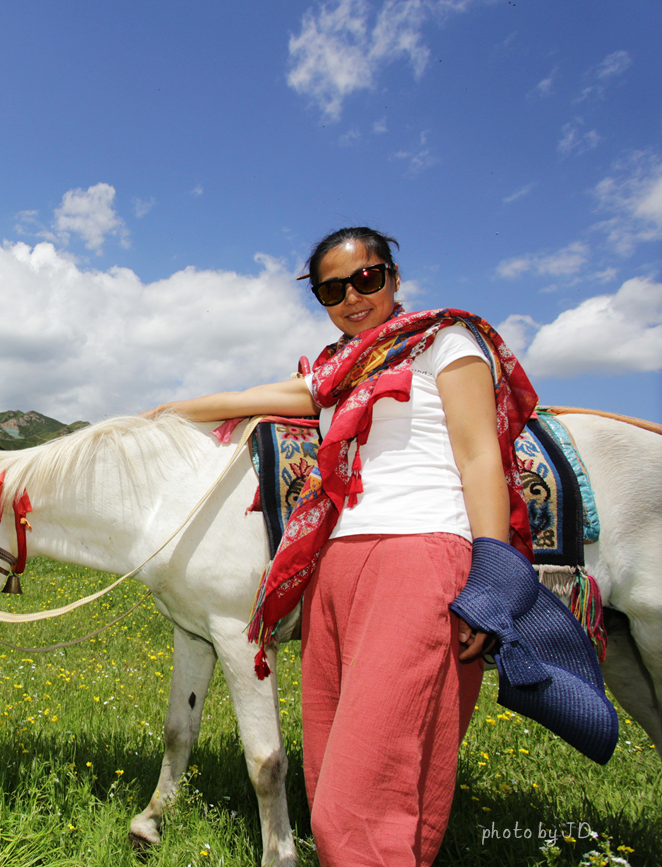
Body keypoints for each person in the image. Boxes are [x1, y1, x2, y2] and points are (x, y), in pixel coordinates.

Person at [142, 227, 538, 866]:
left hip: (418, 555)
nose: (352, 296)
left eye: (367, 278)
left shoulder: (446, 342)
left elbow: (478, 459)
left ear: (394, 277)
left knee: (357, 797)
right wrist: (169, 411)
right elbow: (250, 399)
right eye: (332, 288)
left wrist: (491, 573)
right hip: (337, 568)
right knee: (334, 770)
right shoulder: (337, 369)